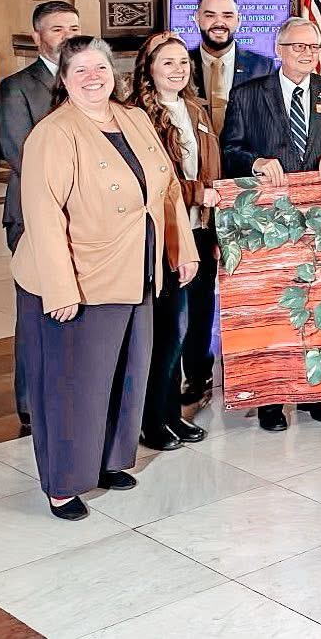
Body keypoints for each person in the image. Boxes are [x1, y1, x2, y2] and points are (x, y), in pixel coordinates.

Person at [12, 36, 199, 519]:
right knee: (75, 384)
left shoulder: (134, 117)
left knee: (126, 375)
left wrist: (183, 247)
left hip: (137, 270)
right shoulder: (53, 135)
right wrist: (60, 288)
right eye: (80, 72)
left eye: (99, 68)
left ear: (113, 73)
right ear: (65, 81)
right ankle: (64, 481)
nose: (93, 78)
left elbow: (167, 187)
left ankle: (109, 461)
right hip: (80, 278)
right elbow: (43, 216)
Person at [221, 17, 321, 431]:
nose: (306, 52)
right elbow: (229, 148)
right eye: (296, 45)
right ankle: (272, 398)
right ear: (278, 48)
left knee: (319, 303)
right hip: (267, 222)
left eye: (312, 45)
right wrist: (255, 161)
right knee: (275, 308)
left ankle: (315, 393)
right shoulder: (248, 94)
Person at [128, 32, 221, 450]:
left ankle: (172, 415)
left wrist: (214, 222)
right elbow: (151, 182)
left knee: (186, 331)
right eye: (168, 62)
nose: (179, 69)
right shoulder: (137, 116)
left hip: (199, 231)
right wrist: (196, 193)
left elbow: (213, 169)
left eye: (183, 61)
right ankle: (152, 420)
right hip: (165, 237)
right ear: (148, 68)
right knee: (167, 331)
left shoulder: (195, 109)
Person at [185, 0, 274, 407]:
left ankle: (252, 367)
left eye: (227, 15)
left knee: (250, 282)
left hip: (246, 190)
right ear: (197, 19)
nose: (219, 22)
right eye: (210, 14)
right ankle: (197, 373)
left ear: (239, 21)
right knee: (198, 285)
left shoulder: (262, 67)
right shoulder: (178, 64)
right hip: (196, 194)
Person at [0, 0, 81, 431]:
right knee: (35, 307)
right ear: (38, 38)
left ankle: (68, 392)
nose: (66, 35)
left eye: (74, 27)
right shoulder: (17, 87)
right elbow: (20, 155)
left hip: (84, 220)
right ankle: (29, 403)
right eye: (56, 29)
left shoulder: (86, 82)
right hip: (31, 216)